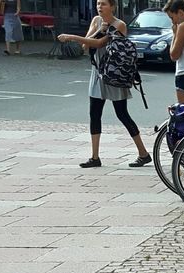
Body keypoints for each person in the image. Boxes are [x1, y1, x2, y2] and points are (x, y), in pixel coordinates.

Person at [57, 0, 152, 169]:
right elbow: (86, 46)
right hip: (98, 72)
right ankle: (95, 157)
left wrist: (71, 37)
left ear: (113, 7)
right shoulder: (95, 21)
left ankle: (143, 153)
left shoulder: (119, 24)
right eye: (98, 3)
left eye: (104, 4)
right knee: (94, 113)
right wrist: (98, 31)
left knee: (122, 114)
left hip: (114, 73)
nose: (100, 7)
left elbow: (101, 44)